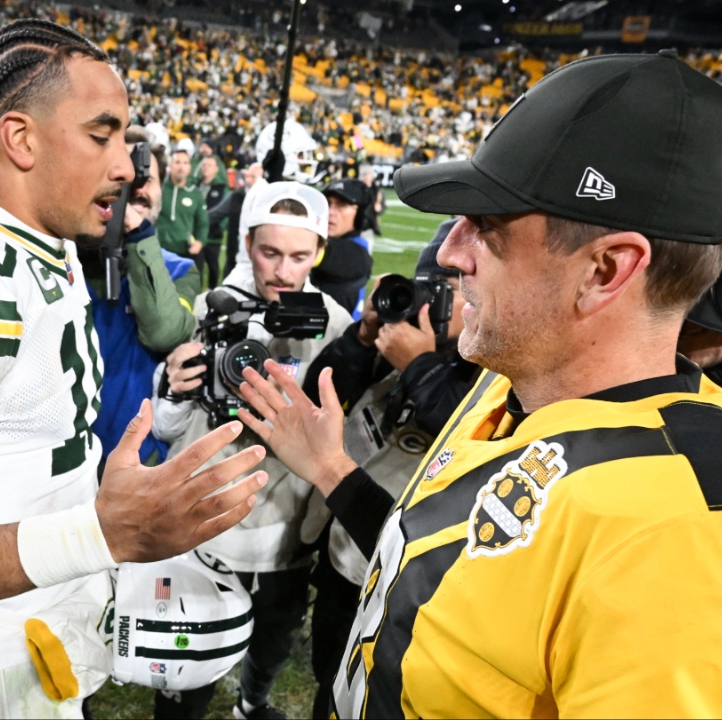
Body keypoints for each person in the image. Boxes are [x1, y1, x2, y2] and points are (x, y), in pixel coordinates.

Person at [235, 51, 722, 718]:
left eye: (487, 227)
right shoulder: (516, 380)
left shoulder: (711, 531)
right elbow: (439, 561)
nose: (450, 252)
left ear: (605, 270)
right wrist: (331, 467)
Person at [0, 19, 265, 719]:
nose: (126, 165)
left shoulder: (47, 242)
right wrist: (104, 532)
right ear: (20, 139)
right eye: (101, 135)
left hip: (39, 615)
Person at [151, 181, 354, 720]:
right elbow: (170, 428)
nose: (283, 271)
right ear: (246, 244)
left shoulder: (335, 324)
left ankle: (251, 703)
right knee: (185, 656)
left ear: (319, 252)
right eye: (269, 253)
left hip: (286, 532)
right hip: (207, 523)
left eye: (299, 256)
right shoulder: (210, 309)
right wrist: (173, 384)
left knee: (272, 640)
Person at [300, 224, 479, 717]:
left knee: (372, 686)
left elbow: (461, 437)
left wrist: (420, 364)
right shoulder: (394, 345)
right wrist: (361, 338)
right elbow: (320, 391)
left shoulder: (491, 376)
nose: (427, 306)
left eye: (448, 292)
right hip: (342, 547)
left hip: (397, 578)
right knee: (329, 672)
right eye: (424, 289)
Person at [86, 124, 199, 464]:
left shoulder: (180, 270)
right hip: (65, 463)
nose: (134, 188)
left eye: (145, 178)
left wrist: (136, 235)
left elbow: (163, 332)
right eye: (121, 177)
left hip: (138, 460)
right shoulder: (66, 261)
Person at [310, 178, 373, 319]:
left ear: (360, 215)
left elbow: (306, 248)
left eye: (341, 205)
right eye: (327, 203)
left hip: (335, 339)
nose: (330, 211)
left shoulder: (356, 255)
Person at [156, 148, 208, 266]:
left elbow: (203, 223)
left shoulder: (195, 193)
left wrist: (199, 242)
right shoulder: (159, 189)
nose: (181, 167)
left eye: (185, 163)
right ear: (170, 165)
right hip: (160, 251)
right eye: (178, 162)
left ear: (190, 167)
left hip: (185, 253)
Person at [196, 154, 227, 288]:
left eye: (210, 165)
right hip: (196, 236)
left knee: (213, 266)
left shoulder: (222, 188)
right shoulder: (195, 186)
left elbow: (225, 212)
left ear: (216, 169)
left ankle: (212, 292)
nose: (206, 168)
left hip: (213, 236)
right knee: (197, 268)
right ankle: (196, 293)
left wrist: (220, 226)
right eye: (204, 165)